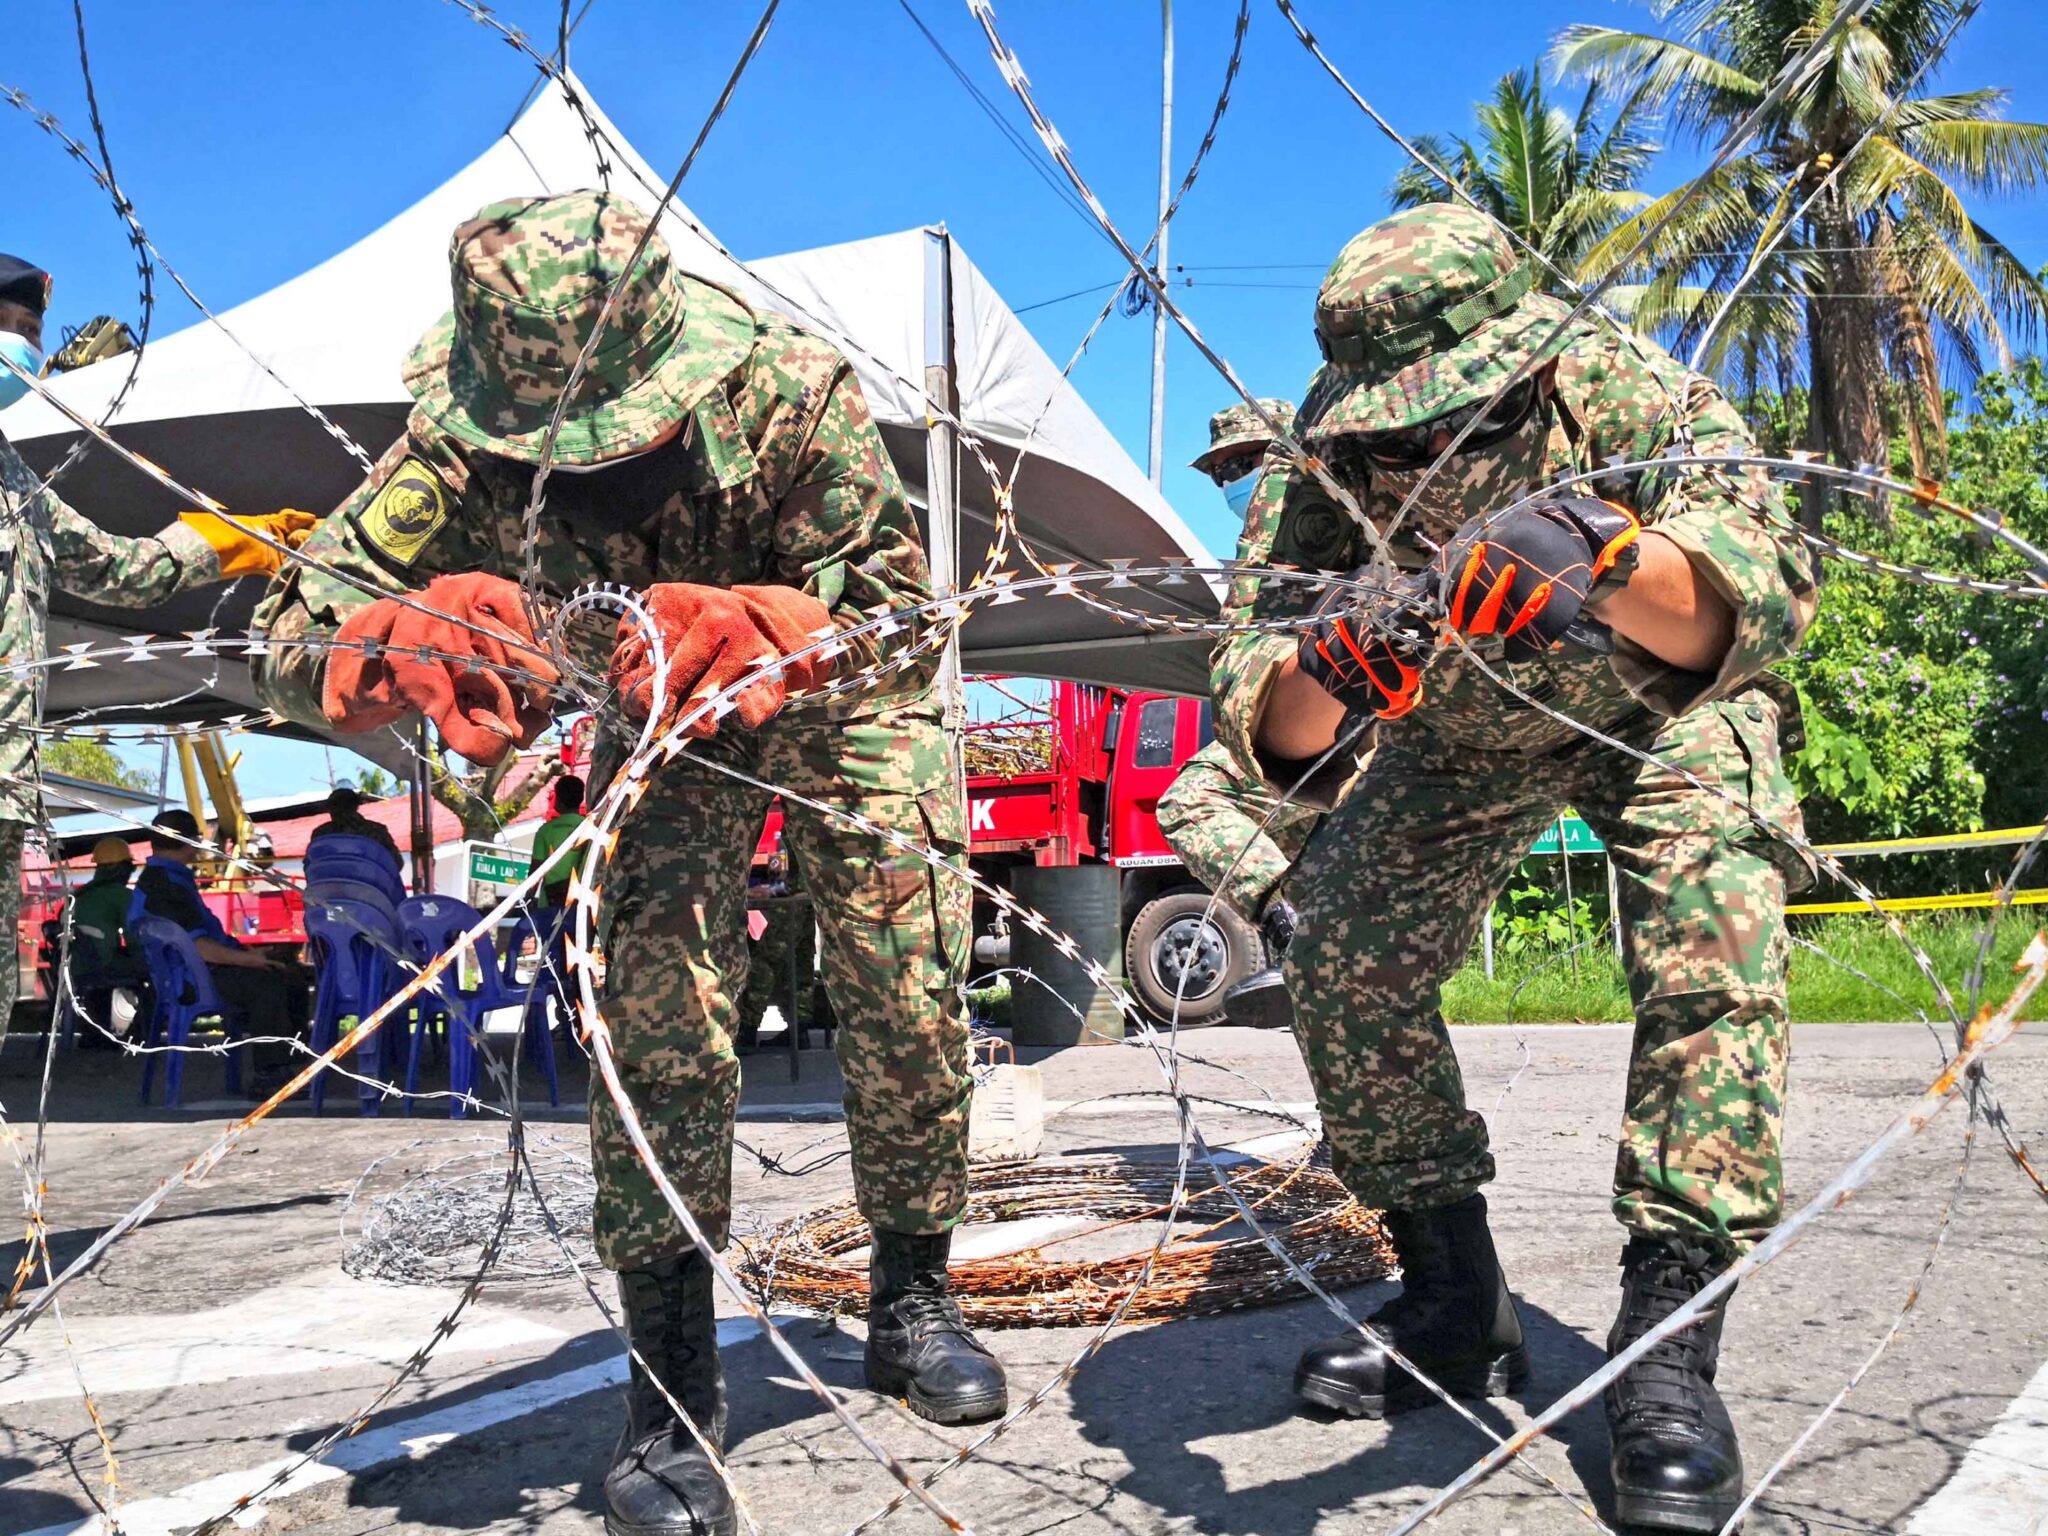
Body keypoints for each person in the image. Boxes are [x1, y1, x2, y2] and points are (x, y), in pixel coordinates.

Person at [249, 192, 999, 1536]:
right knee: (651, 1010)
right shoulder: (457, 450)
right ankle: (672, 1389)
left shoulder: (788, 393)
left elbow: (899, 611)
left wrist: (769, 617)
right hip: (656, 724)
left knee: (907, 978)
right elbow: (286, 628)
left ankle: (911, 1298)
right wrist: (385, 641)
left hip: (827, 696)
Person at [1212, 205, 1816, 1533]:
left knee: (1712, 917)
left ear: (1528, 365)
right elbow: (1255, 706)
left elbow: (1756, 601)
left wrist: (1608, 564)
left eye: (1461, 421)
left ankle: (1667, 1350)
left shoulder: (1628, 393)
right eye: (1397, 434)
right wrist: (1328, 674)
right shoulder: (1318, 454)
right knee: (1345, 959)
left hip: (1651, 702)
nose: (1425, 454)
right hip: (1459, 737)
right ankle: (1453, 1302)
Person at [0, 251, 312, 1042]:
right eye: (3, 326)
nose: (18, 345)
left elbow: (116, 571)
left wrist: (237, 542)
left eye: (26, 331)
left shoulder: (12, 480)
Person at [1159, 400, 1321, 1029]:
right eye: (1223, 472)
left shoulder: (1321, 517)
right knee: (1337, 971)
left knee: (1192, 797)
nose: (1235, 481)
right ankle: (1298, 933)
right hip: (1294, 746)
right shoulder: (1254, 552)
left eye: (1247, 461)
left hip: (1344, 724)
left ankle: (1292, 930)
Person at [128, 810, 312, 1078]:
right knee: (270, 983)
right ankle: (272, 1075)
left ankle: (293, 1061)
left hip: (187, 974)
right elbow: (200, 947)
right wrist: (251, 960)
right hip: (196, 980)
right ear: (190, 842)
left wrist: (249, 953)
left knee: (289, 974)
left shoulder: (157, 879)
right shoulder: (168, 886)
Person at [65, 835, 144, 985]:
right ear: (122, 868)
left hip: (74, 967)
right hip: (102, 966)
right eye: (130, 868)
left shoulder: (80, 895)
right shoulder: (121, 895)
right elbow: (135, 939)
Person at [527, 774, 586, 912]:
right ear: (581, 798)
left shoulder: (546, 831)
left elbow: (536, 871)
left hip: (551, 905)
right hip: (582, 904)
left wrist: (527, 898)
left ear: (558, 800)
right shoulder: (590, 828)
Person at [307, 782, 401, 863]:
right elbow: (397, 862)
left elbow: (309, 864)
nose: (339, 810)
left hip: (335, 883)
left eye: (342, 806)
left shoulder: (321, 834)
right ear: (356, 806)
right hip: (369, 882)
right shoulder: (376, 830)